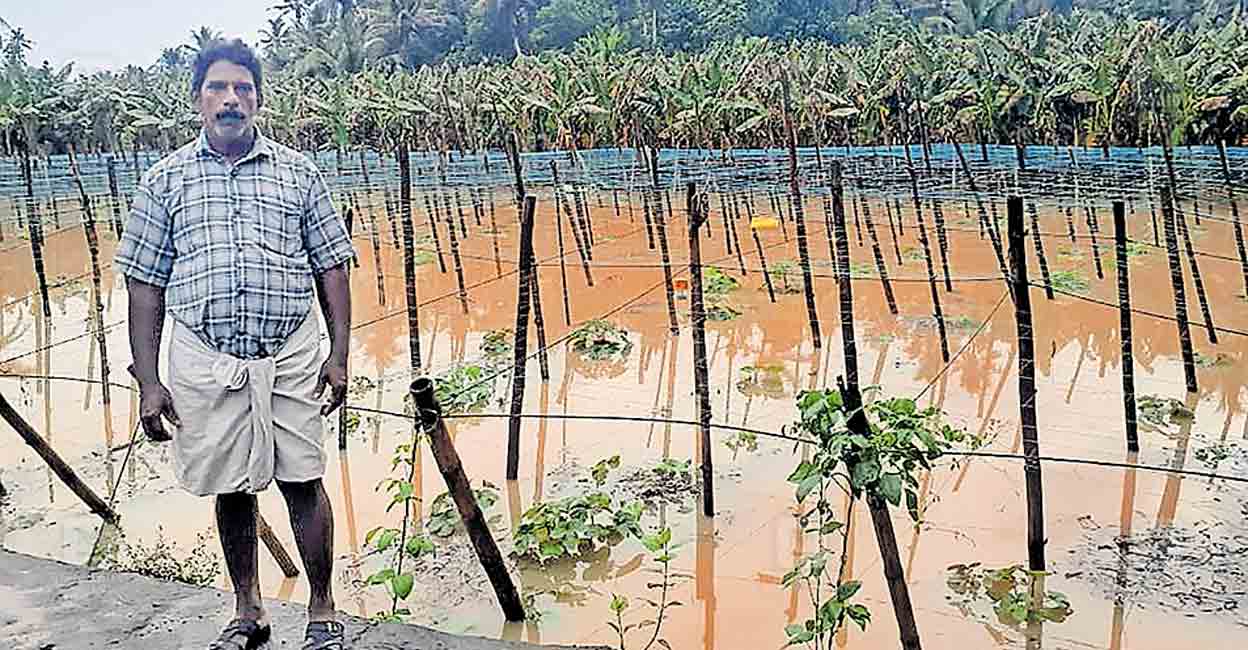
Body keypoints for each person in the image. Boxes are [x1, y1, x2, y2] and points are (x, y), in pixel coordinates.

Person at [115, 38, 354, 650]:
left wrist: (339, 354)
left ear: (258, 99)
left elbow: (332, 266)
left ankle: (323, 608)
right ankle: (247, 609)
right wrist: (148, 380)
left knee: (304, 478)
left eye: (242, 88)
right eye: (218, 88)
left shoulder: (299, 172)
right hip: (205, 358)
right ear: (197, 99)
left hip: (292, 352)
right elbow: (144, 283)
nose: (231, 99)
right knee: (230, 484)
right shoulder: (164, 179)